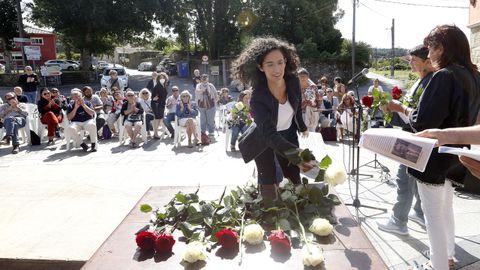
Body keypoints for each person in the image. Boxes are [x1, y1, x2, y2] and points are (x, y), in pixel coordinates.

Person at [386, 25, 480, 270]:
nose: (429, 55)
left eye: (432, 48)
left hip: (435, 156)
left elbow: (423, 123)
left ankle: (437, 264)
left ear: (443, 48)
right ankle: (447, 257)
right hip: (457, 153)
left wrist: (404, 109)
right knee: (446, 208)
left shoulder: (443, 76)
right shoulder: (474, 75)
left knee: (433, 215)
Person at [231, 37, 313, 197]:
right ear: (260, 67)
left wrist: (301, 126)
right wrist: (297, 154)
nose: (277, 69)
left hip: (288, 135)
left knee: (293, 180)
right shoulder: (257, 97)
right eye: (270, 64)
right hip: (264, 141)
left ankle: (295, 214)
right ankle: (269, 216)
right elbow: (269, 134)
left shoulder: (293, 81)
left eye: (280, 62)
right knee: (268, 182)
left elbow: (296, 107)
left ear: (286, 61)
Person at [377, 45, 434, 236]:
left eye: (413, 60)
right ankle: (419, 212)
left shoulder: (429, 82)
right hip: (411, 136)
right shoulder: (422, 81)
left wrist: (399, 107)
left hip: (414, 140)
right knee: (414, 181)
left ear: (427, 61)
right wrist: (393, 108)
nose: (410, 63)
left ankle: (399, 220)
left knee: (403, 180)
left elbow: (418, 116)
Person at [195, 74, 218, 138]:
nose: (204, 79)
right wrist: (202, 90)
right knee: (203, 119)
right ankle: (203, 132)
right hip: (201, 105)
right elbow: (197, 90)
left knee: (210, 119)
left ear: (208, 79)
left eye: (206, 77)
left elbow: (216, 94)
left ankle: (211, 132)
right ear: (201, 79)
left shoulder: (211, 85)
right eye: (203, 78)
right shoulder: (198, 85)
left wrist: (215, 102)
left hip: (211, 105)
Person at [298, 68, 319, 132]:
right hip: (298, 113)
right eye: (300, 76)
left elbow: (314, 101)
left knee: (311, 132)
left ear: (308, 77)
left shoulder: (313, 87)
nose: (302, 78)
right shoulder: (295, 86)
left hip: (311, 112)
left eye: (304, 76)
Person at [151, 72, 168, 139]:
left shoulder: (164, 85)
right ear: (158, 79)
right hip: (157, 105)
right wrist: (154, 98)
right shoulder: (157, 86)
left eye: (163, 77)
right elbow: (152, 96)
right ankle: (155, 134)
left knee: (159, 118)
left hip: (162, 104)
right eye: (160, 78)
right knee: (157, 119)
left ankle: (156, 132)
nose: (162, 79)